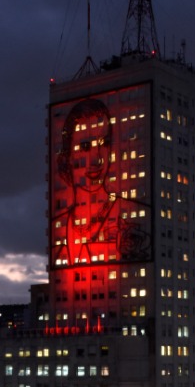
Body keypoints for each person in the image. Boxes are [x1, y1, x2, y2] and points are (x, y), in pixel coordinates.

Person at [51, 98, 151, 268]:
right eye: (85, 146)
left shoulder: (136, 211)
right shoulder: (56, 226)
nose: (97, 159)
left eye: (104, 143)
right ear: (67, 157)